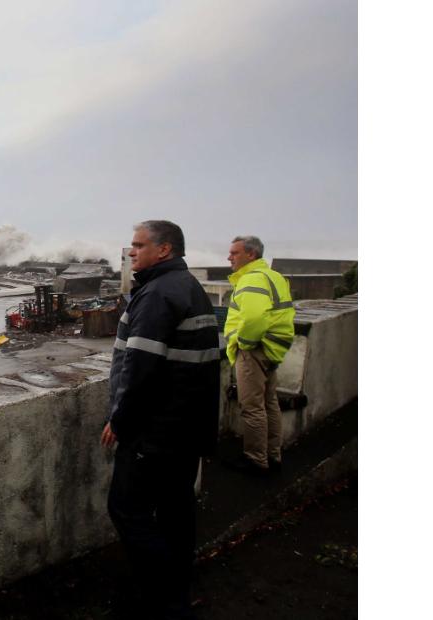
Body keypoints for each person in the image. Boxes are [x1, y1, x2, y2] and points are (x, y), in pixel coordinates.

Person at [102, 220, 220, 618]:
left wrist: (119, 420)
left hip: (156, 431)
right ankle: (180, 590)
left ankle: (166, 598)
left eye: (138, 245)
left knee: (126, 508)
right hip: (189, 425)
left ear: (164, 250)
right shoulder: (188, 286)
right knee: (176, 509)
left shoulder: (156, 294)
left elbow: (140, 369)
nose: (131, 251)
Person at [222, 235, 295, 476]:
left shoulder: (251, 278)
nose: (229, 257)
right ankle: (273, 455)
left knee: (252, 406)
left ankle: (255, 460)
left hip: (254, 350)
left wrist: (243, 343)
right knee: (269, 403)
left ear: (250, 255)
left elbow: (255, 318)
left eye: (234, 253)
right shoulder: (274, 276)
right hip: (273, 348)